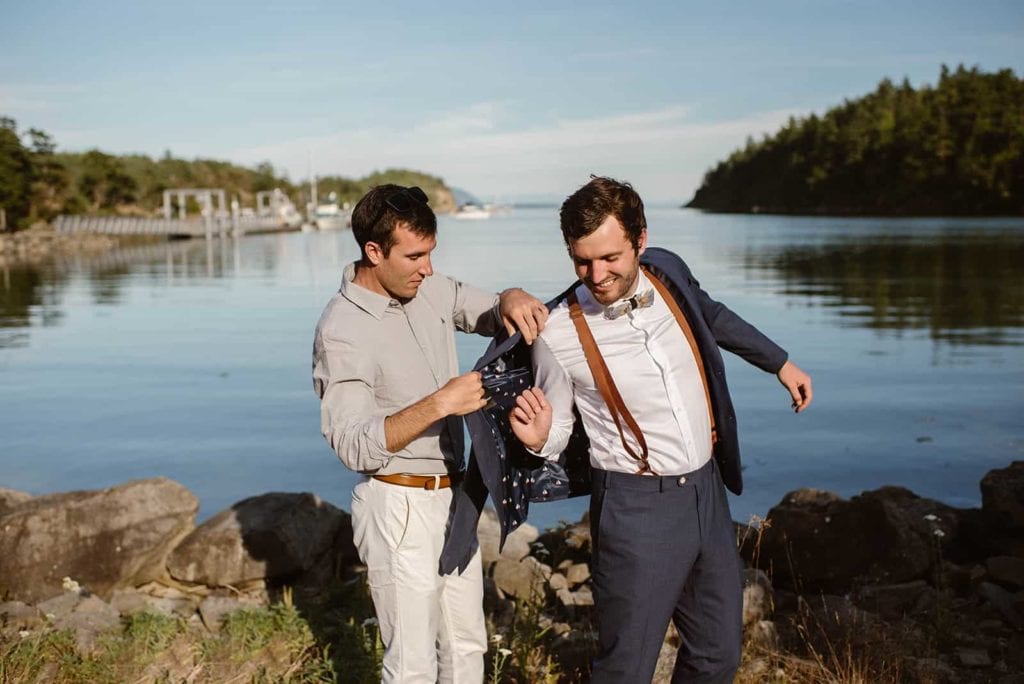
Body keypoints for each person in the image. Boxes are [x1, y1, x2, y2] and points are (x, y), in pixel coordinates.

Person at [507, 177, 813, 683]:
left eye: (610, 258)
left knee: (717, 656)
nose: (597, 275)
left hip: (706, 493)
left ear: (641, 240)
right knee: (625, 669)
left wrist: (779, 363)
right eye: (582, 262)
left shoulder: (668, 272)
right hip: (635, 510)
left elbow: (710, 314)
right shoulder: (556, 330)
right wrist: (539, 438)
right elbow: (558, 425)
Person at [311, 184, 548, 683]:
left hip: (455, 500)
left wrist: (512, 295)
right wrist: (441, 403)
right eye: (415, 256)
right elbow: (352, 443)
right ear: (373, 252)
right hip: (397, 507)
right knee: (412, 666)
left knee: (466, 648)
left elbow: (490, 310)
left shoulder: (430, 288)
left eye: (432, 253)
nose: (428, 268)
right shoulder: (341, 330)